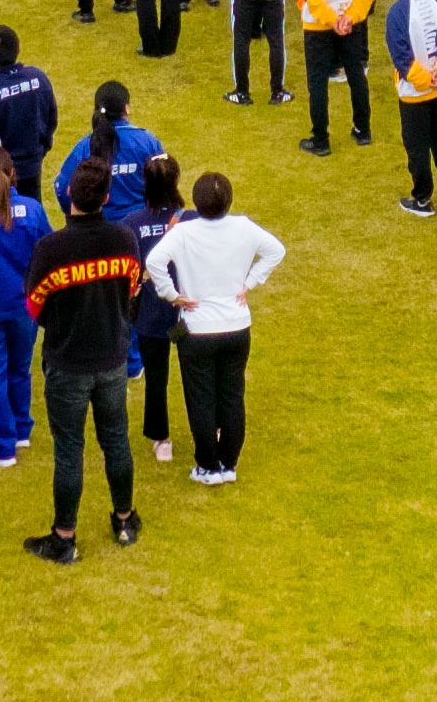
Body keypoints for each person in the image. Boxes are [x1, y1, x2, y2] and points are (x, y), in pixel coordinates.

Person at [21, 175, 147, 562]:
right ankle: (124, 521)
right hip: (111, 359)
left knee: (70, 449)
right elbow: (133, 289)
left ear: (70, 194)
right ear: (107, 197)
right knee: (116, 439)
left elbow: (33, 306)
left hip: (67, 363)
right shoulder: (124, 240)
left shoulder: (51, 248)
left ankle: (64, 539)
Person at [142, 173, 287, 484]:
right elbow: (276, 250)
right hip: (237, 327)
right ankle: (228, 463)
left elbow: (154, 261)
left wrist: (172, 295)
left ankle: (208, 466)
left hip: (197, 329)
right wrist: (250, 282)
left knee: (201, 397)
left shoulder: (183, 233)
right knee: (233, 395)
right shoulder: (243, 227)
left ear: (196, 202)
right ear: (229, 202)